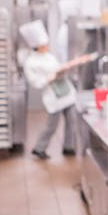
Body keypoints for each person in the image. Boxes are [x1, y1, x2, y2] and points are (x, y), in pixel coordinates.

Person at [18, 20, 79, 160]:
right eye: (44, 44)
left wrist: (64, 69)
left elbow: (58, 68)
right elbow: (36, 82)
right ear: (37, 46)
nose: (47, 46)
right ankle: (39, 148)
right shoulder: (30, 62)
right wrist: (49, 78)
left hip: (67, 93)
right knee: (52, 126)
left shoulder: (49, 56)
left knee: (72, 122)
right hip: (53, 98)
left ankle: (69, 147)